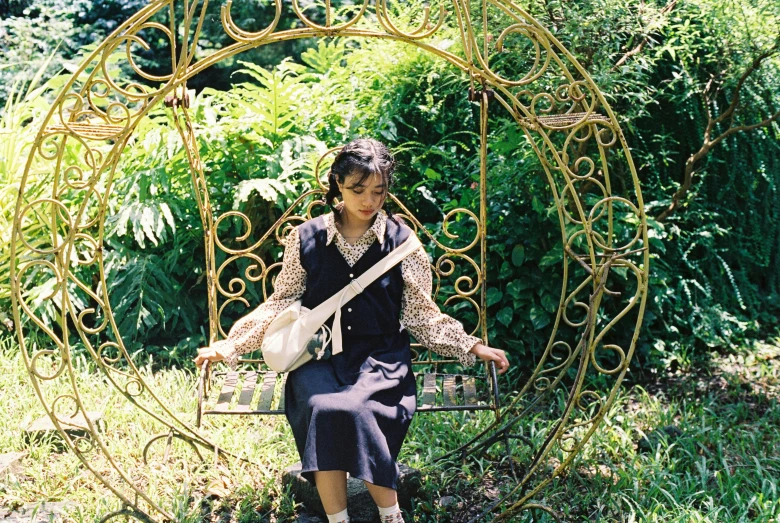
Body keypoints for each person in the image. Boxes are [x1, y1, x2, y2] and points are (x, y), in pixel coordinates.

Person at [194, 137, 510, 523]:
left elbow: (421, 314)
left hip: (380, 359)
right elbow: (282, 301)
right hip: (319, 355)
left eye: (377, 191)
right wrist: (232, 345)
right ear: (337, 185)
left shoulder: (401, 242)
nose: (368, 201)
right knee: (325, 407)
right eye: (357, 190)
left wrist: (472, 346)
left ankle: (390, 517)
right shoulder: (307, 237)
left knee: (357, 409)